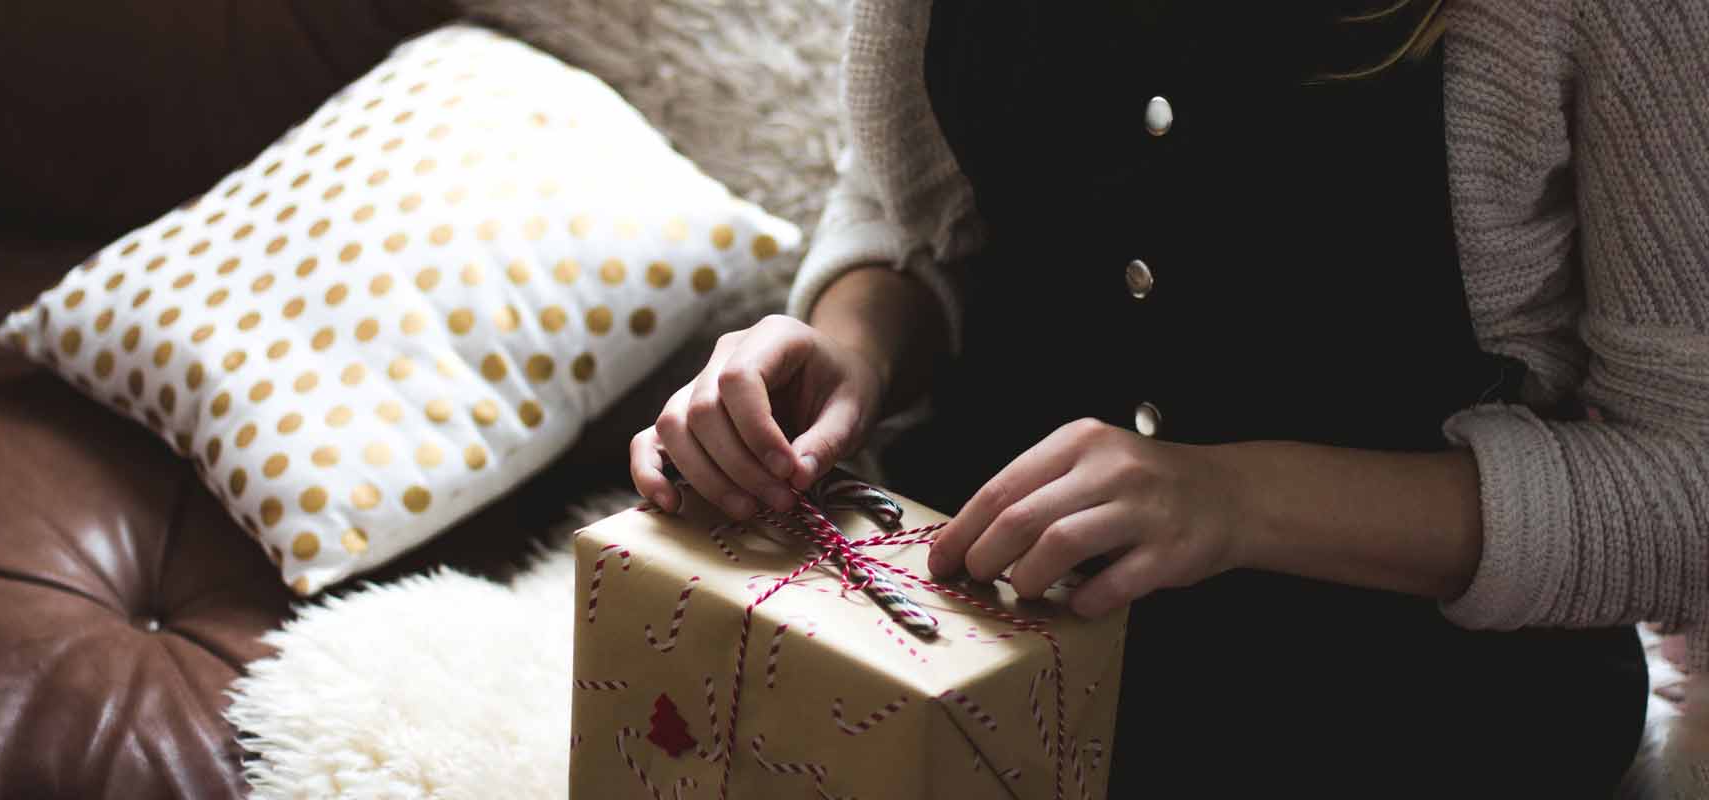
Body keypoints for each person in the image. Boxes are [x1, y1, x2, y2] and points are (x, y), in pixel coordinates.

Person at [630, 1, 1707, 794]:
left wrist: (1235, 498)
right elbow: (905, 192)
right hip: (936, 654)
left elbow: (1688, 493)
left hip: (1404, 715)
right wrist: (848, 345)